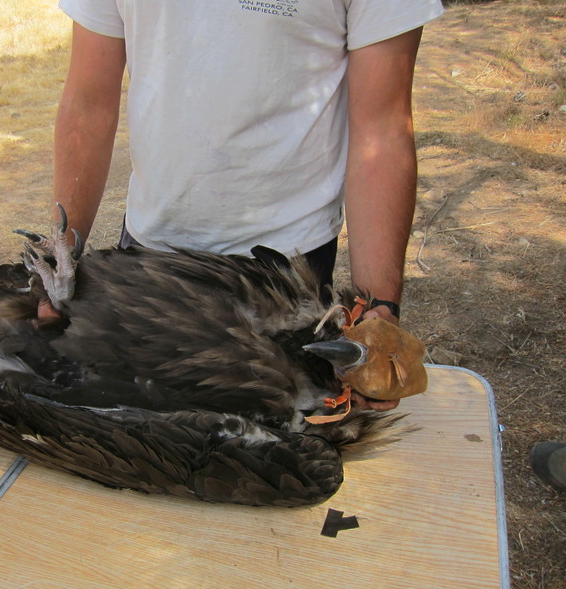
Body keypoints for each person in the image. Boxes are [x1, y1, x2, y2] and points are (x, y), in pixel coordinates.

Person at [51, 0, 445, 410]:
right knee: (132, 438)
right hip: (146, 259)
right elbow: (88, 103)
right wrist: (61, 256)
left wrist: (377, 309)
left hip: (284, 280)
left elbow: (381, 131)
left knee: (252, 459)